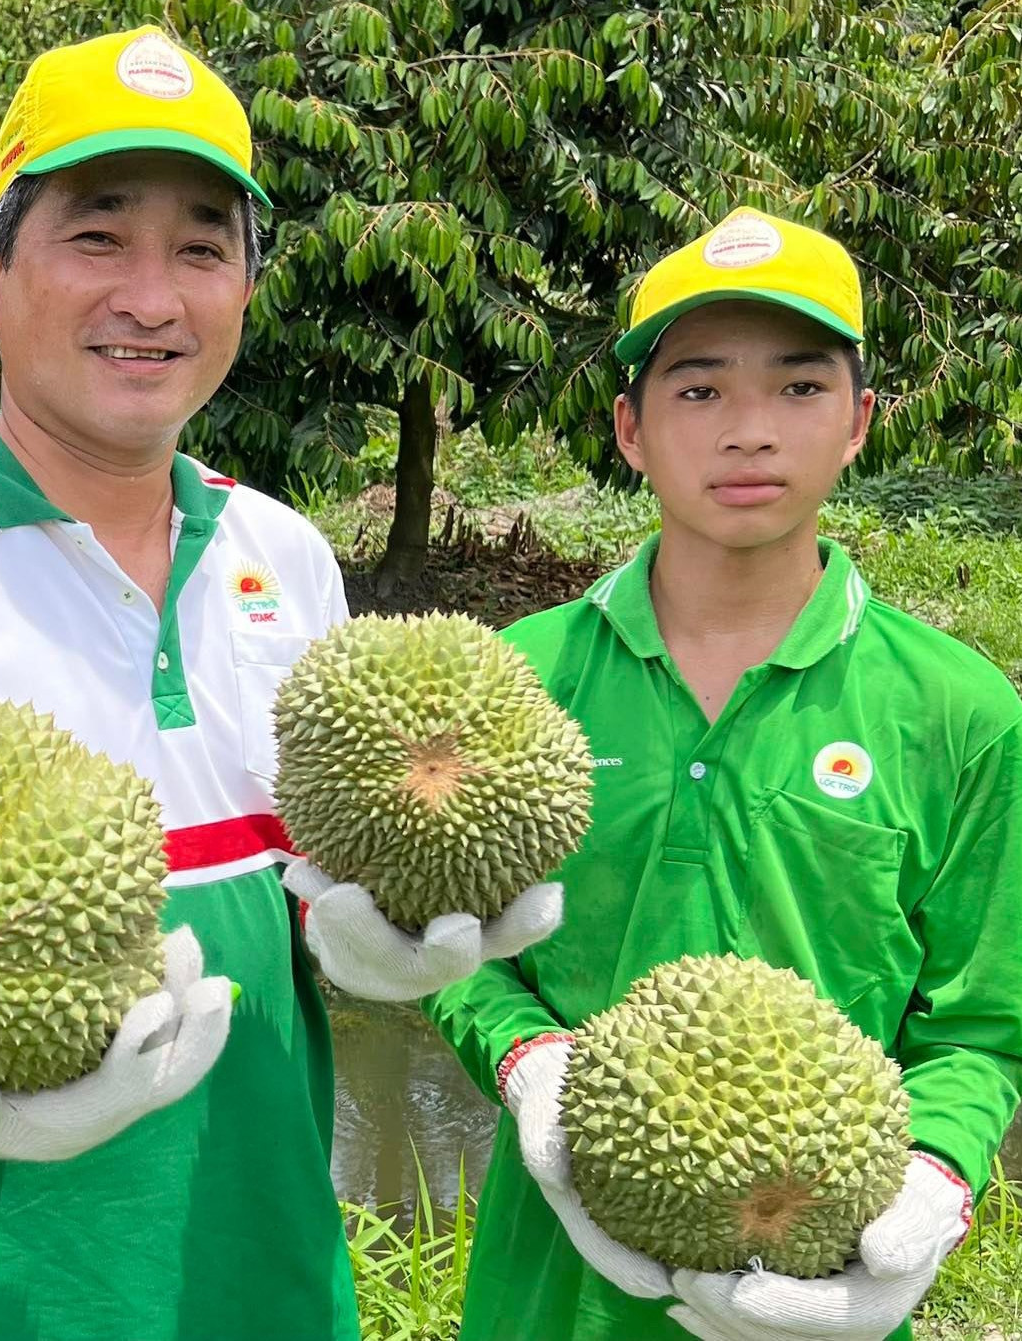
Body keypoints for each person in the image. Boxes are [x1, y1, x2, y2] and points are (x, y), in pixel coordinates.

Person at [0, 26, 559, 1340]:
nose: (152, 296)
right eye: (98, 238)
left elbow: (313, 894)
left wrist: (380, 941)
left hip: (259, 1265)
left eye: (202, 248)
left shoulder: (286, 556)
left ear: (244, 294)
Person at [427, 207, 1022, 1341]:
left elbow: (980, 1025)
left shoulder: (958, 709)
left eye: (798, 388)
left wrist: (937, 1176)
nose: (747, 432)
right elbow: (448, 943)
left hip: (818, 1284)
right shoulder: (513, 679)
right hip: (553, 1290)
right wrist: (524, 1058)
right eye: (697, 390)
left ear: (858, 423)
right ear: (629, 429)